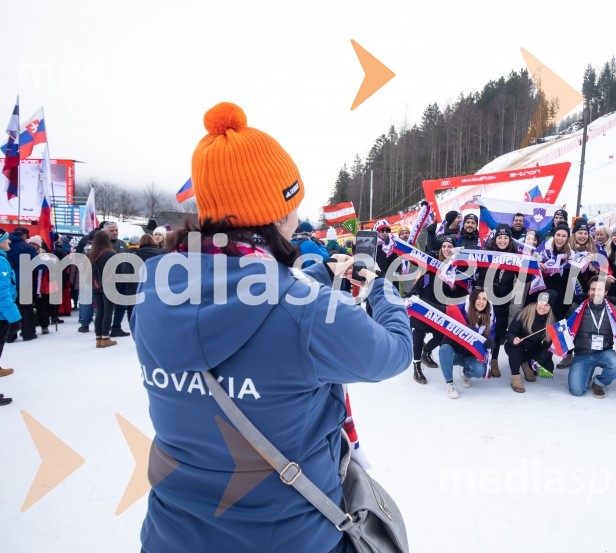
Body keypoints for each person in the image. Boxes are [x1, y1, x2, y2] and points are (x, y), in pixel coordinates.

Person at [131, 102, 412, 553]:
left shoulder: (152, 288)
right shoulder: (307, 313)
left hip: (172, 537)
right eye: (292, 206)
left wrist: (321, 279)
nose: (298, 219)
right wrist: (381, 288)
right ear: (271, 212)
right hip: (286, 539)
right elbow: (393, 352)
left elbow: (242, 298)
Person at [407, 236, 463, 383]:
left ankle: (426, 352)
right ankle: (417, 366)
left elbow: (457, 294)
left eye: (449, 247)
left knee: (440, 335)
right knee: (418, 334)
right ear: (440, 248)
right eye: (444, 246)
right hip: (423, 306)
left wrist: (453, 288)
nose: (446, 249)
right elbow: (419, 284)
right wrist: (413, 294)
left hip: (440, 309)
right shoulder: (431, 264)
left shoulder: (455, 269)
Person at [567, 276, 616, 398]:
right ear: (589, 290)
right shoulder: (576, 309)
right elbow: (566, 331)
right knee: (576, 391)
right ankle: (586, 372)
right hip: (582, 354)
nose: (595, 293)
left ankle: (599, 382)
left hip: (604, 353)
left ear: (606, 292)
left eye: (599, 290)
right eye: (592, 289)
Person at [439, 288, 495, 399]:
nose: (481, 302)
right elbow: (440, 309)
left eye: (484, 299)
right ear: (472, 299)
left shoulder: (489, 316)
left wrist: (490, 342)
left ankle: (467, 373)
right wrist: (417, 301)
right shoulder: (460, 310)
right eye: (478, 298)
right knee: (444, 349)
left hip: (470, 355)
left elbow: (491, 335)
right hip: (454, 351)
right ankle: (450, 383)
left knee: (479, 370)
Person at [480, 224, 518, 378]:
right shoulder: (486, 254)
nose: (503, 241)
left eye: (506, 238)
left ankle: (494, 360)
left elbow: (525, 277)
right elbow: (479, 275)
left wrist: (532, 263)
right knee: (484, 330)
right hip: (487, 299)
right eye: (500, 237)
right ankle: (482, 358)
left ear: (510, 240)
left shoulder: (516, 256)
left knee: (499, 331)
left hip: (503, 299)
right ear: (495, 239)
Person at [504, 291, 557, 393]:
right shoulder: (523, 314)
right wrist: (513, 339)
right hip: (516, 347)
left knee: (548, 368)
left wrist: (539, 360)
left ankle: (525, 363)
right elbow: (509, 333)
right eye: (541, 303)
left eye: (547, 305)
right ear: (537, 302)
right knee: (515, 348)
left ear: (550, 308)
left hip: (532, 350)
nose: (543, 307)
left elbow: (548, 346)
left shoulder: (551, 322)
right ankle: (515, 378)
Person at [0, 231, 22, 401]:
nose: (9, 241)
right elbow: (2, 292)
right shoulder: (0, 261)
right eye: (5, 239)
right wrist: (14, 318)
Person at [88, 231, 117, 348]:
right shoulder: (110, 253)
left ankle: (98, 338)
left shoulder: (90, 253)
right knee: (108, 311)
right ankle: (105, 337)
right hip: (108, 285)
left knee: (99, 311)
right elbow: (118, 269)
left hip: (95, 285)